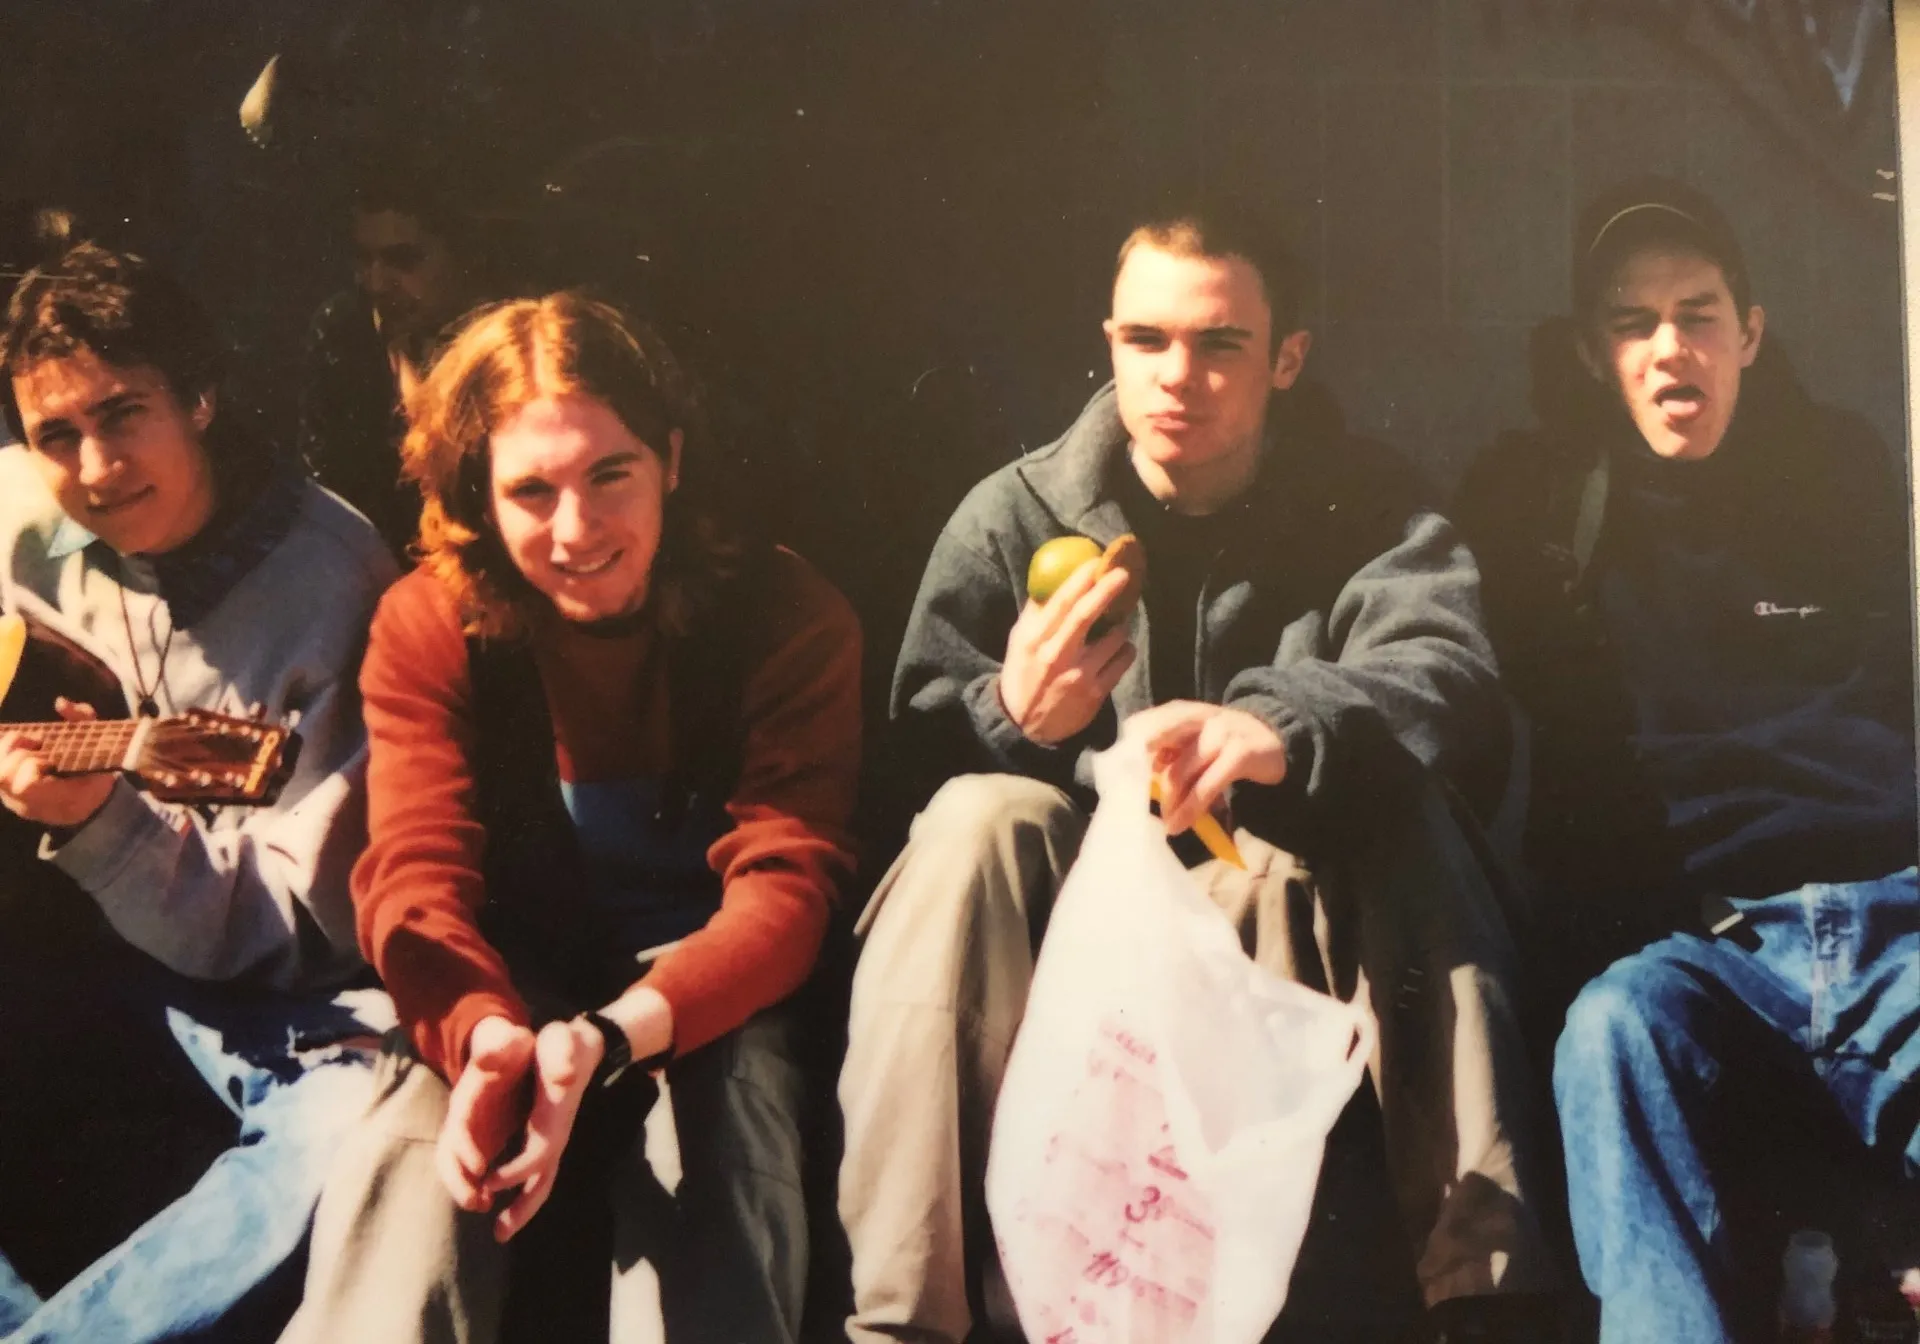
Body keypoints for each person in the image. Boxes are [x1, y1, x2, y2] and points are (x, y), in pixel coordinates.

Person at [838, 203, 1564, 1344]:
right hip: (1066, 916)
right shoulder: (1013, 513)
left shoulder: (1371, 507)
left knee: (1372, 828)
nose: (1179, 376)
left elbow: (1452, 675)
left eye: (1220, 344)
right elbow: (901, 773)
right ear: (1109, 344)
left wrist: (1278, 726)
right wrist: (1008, 712)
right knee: (972, 823)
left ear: (1287, 358)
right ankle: (900, 1321)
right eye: (1146, 341)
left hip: (1265, 911)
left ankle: (1486, 1299)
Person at [281, 292, 862, 1344]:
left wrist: (610, 1038)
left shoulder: (786, 616)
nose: (577, 530)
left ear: (671, 461)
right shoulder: (428, 626)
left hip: (712, 997)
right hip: (521, 993)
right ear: (480, 500)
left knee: (720, 1130)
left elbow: (787, 885)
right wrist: (487, 1040)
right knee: (414, 1142)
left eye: (611, 475)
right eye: (531, 491)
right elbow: (413, 874)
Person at [1455, 177, 1919, 1343]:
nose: (1671, 350)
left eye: (1700, 314)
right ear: (1586, 352)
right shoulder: (1543, 508)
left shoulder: (1850, 475)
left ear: (1751, 334)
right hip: (1703, 950)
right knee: (1609, 1034)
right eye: (1632, 322)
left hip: (1896, 924)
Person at [0, 241, 398, 1341]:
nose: (92, 468)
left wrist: (104, 822)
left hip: (281, 993)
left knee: (354, 1139)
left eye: (124, 414)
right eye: (55, 436)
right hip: (76, 961)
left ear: (204, 397)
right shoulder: (25, 522)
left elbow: (294, 927)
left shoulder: (338, 582)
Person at [298, 163, 485, 555]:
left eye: (403, 260)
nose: (376, 283)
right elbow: (331, 485)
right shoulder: (345, 330)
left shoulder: (506, 340)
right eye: (364, 260)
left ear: (462, 256)